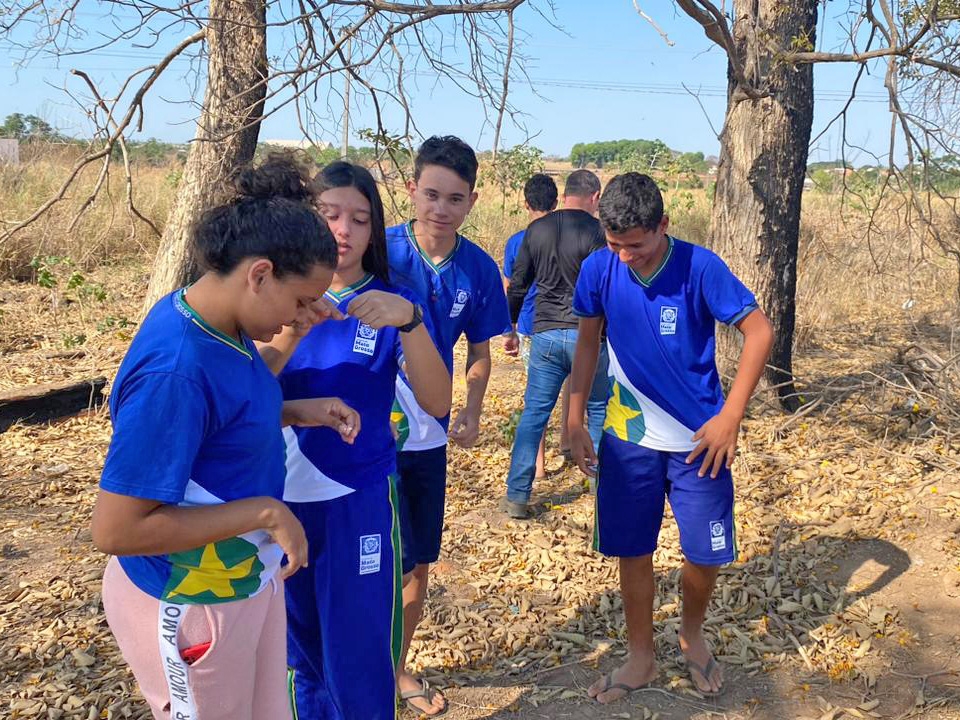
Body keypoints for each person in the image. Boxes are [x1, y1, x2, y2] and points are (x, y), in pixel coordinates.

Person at [92, 154, 362, 720]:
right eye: (298, 301)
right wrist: (264, 513)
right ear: (259, 274)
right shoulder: (176, 370)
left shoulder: (218, 321)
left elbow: (225, 416)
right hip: (190, 600)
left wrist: (291, 410)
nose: (302, 315)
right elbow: (116, 528)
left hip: (243, 579)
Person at [566, 172, 774, 701]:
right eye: (614, 245)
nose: (624, 256)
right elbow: (588, 344)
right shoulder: (599, 268)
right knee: (632, 550)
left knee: (705, 553)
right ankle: (641, 658)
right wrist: (572, 417)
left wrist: (732, 415)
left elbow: (759, 331)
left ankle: (692, 633)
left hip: (700, 441)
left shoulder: (699, 268)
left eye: (635, 245)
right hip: (627, 436)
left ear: (663, 225)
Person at [258, 161, 451, 719]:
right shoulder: (271, 297)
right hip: (275, 502)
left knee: (362, 657)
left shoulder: (392, 300)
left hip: (359, 501)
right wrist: (295, 328)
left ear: (374, 230)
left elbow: (438, 403)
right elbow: (243, 394)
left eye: (360, 219)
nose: (343, 230)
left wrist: (410, 322)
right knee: (301, 656)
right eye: (329, 215)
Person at [388, 135, 511, 716]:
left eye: (454, 199)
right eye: (430, 194)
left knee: (417, 559)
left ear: (472, 201)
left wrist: (472, 409)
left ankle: (395, 669)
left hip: (427, 435)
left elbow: (479, 353)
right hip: (358, 432)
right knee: (353, 552)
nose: (440, 208)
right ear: (411, 188)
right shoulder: (377, 252)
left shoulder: (480, 270)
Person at [500, 169, 610, 519]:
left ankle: (517, 494)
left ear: (565, 196)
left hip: (546, 333)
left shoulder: (537, 230)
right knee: (598, 408)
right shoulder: (599, 233)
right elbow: (608, 287)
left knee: (534, 412)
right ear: (595, 197)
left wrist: (511, 326)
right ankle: (598, 483)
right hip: (588, 336)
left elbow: (518, 283)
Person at [501, 173, 568, 481]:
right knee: (576, 389)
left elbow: (511, 286)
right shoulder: (572, 236)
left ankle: (537, 467)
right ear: (555, 203)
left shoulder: (517, 241)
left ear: (526, 203)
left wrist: (509, 328)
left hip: (531, 328)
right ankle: (571, 443)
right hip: (571, 324)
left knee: (536, 400)